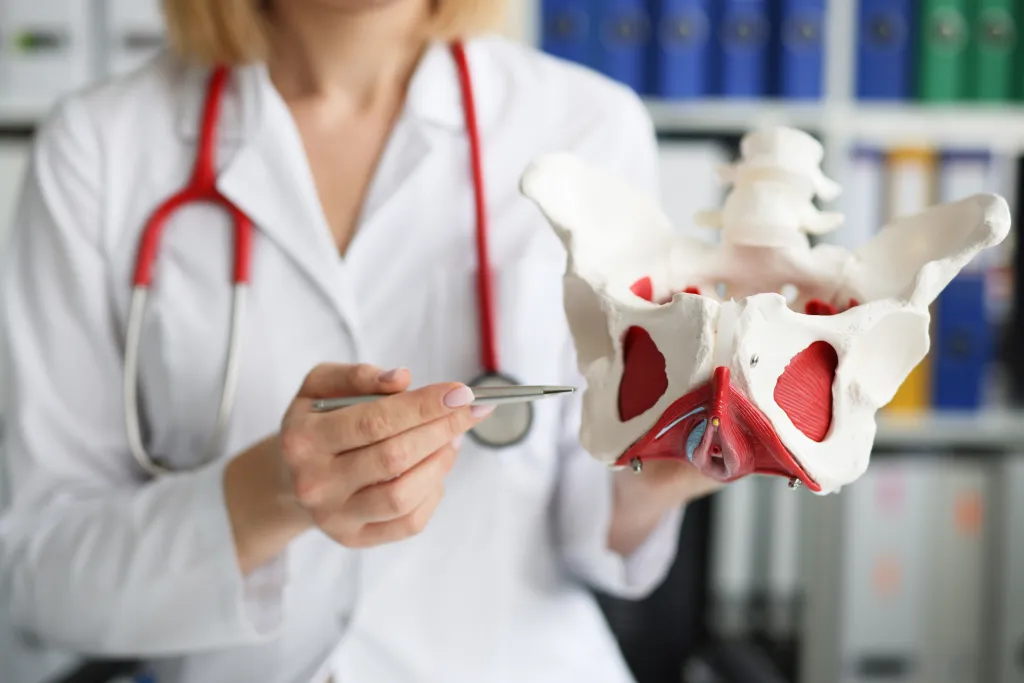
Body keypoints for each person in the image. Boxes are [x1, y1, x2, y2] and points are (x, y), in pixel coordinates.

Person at [0, 1, 723, 681]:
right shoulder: (99, 148)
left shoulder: (588, 125)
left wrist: (658, 477)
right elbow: (40, 585)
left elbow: (596, 531)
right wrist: (270, 493)